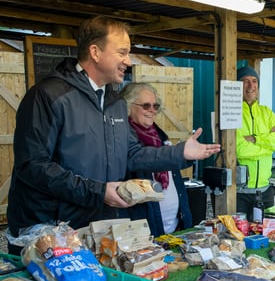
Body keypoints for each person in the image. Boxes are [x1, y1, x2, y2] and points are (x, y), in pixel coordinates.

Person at [6, 16, 219, 254]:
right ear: (95, 52)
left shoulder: (114, 103)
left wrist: (179, 153)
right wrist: (98, 192)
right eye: (122, 52)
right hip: (51, 235)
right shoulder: (47, 96)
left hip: (97, 228)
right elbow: (32, 166)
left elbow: (132, 154)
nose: (128, 61)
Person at [119, 82, 193, 236]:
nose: (152, 110)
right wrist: (182, 152)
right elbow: (141, 159)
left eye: (155, 106)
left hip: (175, 227)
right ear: (128, 106)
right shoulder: (122, 137)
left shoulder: (160, 136)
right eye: (146, 106)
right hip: (144, 230)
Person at [236, 66, 275, 220]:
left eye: (254, 81)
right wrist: (270, 146)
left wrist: (256, 139)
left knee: (266, 236)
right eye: (245, 81)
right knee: (238, 238)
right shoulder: (233, 112)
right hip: (240, 193)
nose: (250, 86)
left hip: (265, 191)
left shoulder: (265, 112)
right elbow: (239, 149)